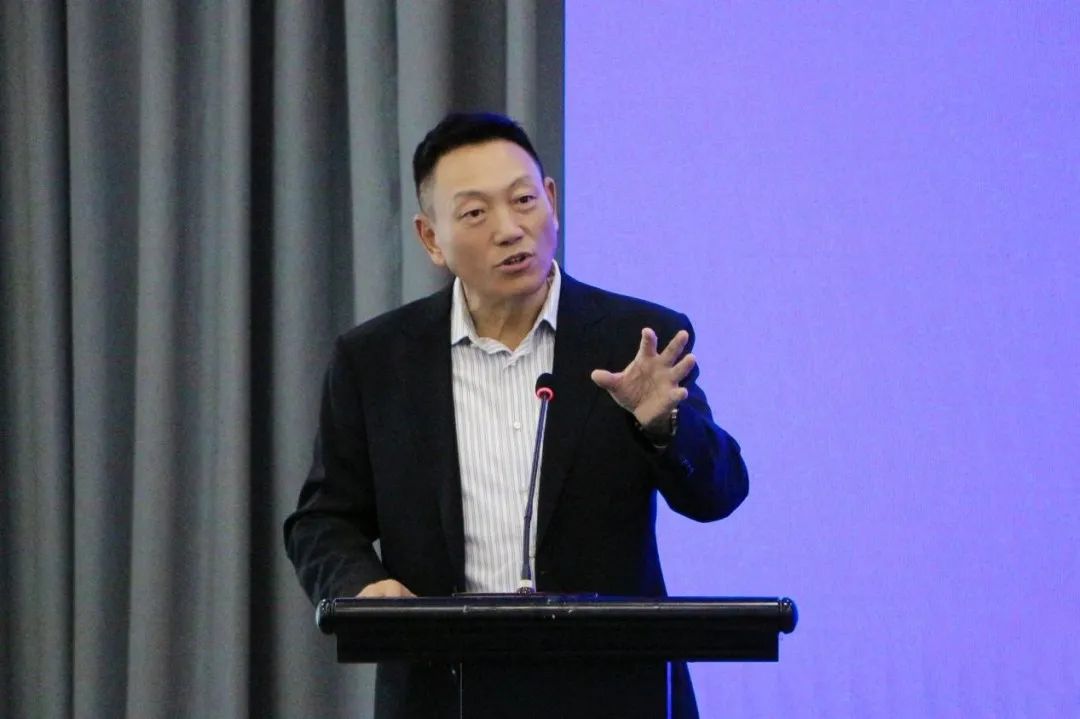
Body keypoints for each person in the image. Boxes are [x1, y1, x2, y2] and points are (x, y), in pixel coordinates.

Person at [284, 112, 749, 718]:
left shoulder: (639, 339)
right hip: (442, 693)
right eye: (476, 213)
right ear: (431, 239)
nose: (509, 229)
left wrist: (664, 428)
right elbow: (323, 519)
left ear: (551, 200)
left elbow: (720, 493)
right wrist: (361, 587)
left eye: (524, 200)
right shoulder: (375, 360)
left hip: (613, 694)